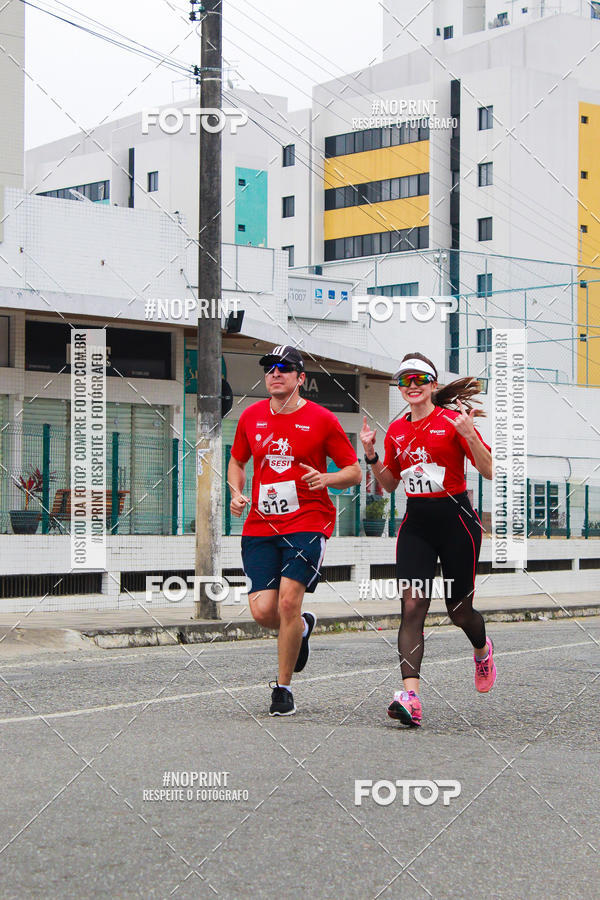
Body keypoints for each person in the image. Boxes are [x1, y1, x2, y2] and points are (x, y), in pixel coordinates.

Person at [360, 352, 495, 727]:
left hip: (457, 522)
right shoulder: (397, 430)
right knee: (412, 606)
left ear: (433, 385)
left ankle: (482, 650)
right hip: (417, 524)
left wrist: (469, 435)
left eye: (420, 379)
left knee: (459, 611)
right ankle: (411, 697)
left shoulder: (453, 421)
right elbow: (389, 484)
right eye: (405, 380)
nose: (412, 386)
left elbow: (488, 470)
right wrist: (371, 455)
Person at [228, 345, 362, 716]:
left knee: (288, 601)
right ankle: (301, 628)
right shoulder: (251, 416)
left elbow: (353, 471)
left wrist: (327, 478)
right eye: (270, 368)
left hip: (308, 521)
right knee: (262, 611)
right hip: (261, 525)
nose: (275, 373)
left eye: (284, 368)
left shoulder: (322, 419)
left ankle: (283, 689)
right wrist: (236, 492)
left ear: (300, 378)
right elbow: (237, 461)